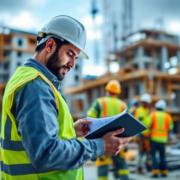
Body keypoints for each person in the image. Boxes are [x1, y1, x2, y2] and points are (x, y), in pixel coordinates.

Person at [1, 15, 132, 180]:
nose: (72, 64)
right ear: (50, 45)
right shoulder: (36, 86)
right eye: (70, 54)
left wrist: (71, 130)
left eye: (75, 58)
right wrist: (100, 146)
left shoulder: (28, 78)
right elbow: (45, 153)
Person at [87, 80, 130, 180]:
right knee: (122, 166)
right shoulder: (123, 105)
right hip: (119, 141)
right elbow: (128, 124)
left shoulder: (100, 102)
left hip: (103, 141)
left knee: (103, 167)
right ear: (118, 92)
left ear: (107, 91)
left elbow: (89, 120)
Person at [147, 100, 174, 178]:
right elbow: (170, 128)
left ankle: (155, 172)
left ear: (156, 107)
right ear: (164, 108)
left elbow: (148, 125)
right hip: (163, 140)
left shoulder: (152, 115)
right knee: (163, 156)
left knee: (153, 156)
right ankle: (164, 172)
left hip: (154, 139)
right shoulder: (168, 116)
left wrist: (147, 136)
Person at [134, 93, 152, 174]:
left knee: (147, 152)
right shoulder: (140, 110)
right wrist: (139, 135)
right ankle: (139, 168)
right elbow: (139, 123)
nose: (148, 104)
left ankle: (147, 166)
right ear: (144, 102)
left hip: (146, 135)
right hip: (141, 135)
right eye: (147, 103)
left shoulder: (146, 110)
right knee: (141, 152)